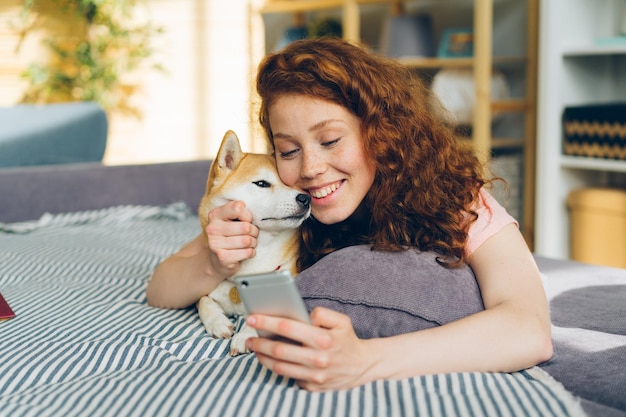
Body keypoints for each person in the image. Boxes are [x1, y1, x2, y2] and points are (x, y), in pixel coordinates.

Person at [146, 37, 553, 392]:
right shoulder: (282, 208)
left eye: (330, 140)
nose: (309, 168)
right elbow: (160, 289)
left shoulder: (452, 196)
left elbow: (529, 327)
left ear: (380, 131)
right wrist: (215, 260)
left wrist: (364, 360)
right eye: (288, 150)